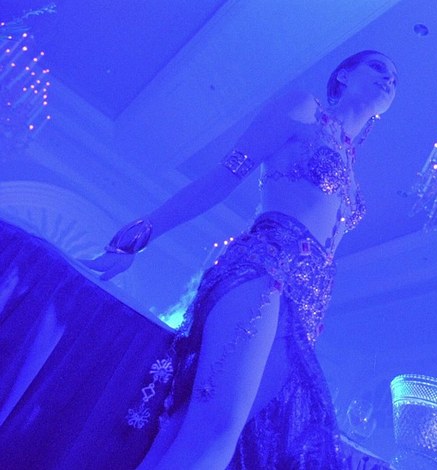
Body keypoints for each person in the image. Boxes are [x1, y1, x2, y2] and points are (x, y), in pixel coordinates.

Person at [82, 50, 398, 469]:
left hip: (307, 309)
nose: (388, 80)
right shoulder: (304, 110)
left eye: (394, 80)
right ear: (343, 75)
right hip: (266, 269)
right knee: (215, 432)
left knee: (195, 433)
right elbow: (223, 176)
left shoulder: (354, 174)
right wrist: (141, 234)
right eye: (378, 68)